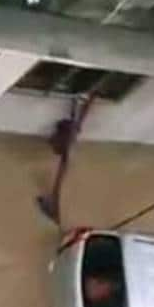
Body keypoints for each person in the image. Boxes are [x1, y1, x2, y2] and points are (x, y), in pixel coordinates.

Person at [37, 93, 95, 226]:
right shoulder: (69, 133)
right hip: (66, 148)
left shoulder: (68, 134)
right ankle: (54, 202)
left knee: (60, 178)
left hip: (66, 149)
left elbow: (60, 143)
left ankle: (54, 203)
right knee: (60, 178)